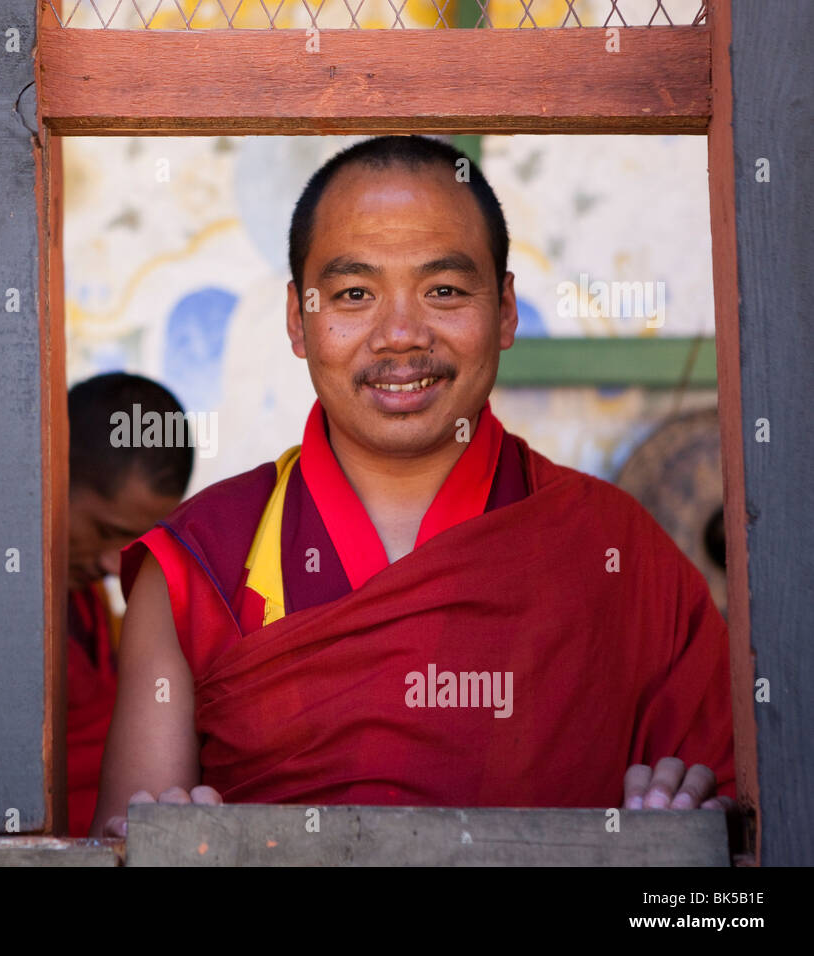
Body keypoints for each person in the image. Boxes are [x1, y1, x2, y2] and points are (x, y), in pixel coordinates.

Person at [91, 135, 736, 838]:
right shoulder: (200, 564)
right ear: (297, 320)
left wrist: (673, 834)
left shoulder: (616, 550)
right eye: (355, 294)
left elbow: (731, 852)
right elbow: (132, 844)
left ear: (507, 309)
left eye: (445, 291)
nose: (400, 334)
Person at [65, 373, 194, 837]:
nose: (113, 564)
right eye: (103, 530)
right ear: (51, 472)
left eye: (131, 544)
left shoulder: (87, 600)